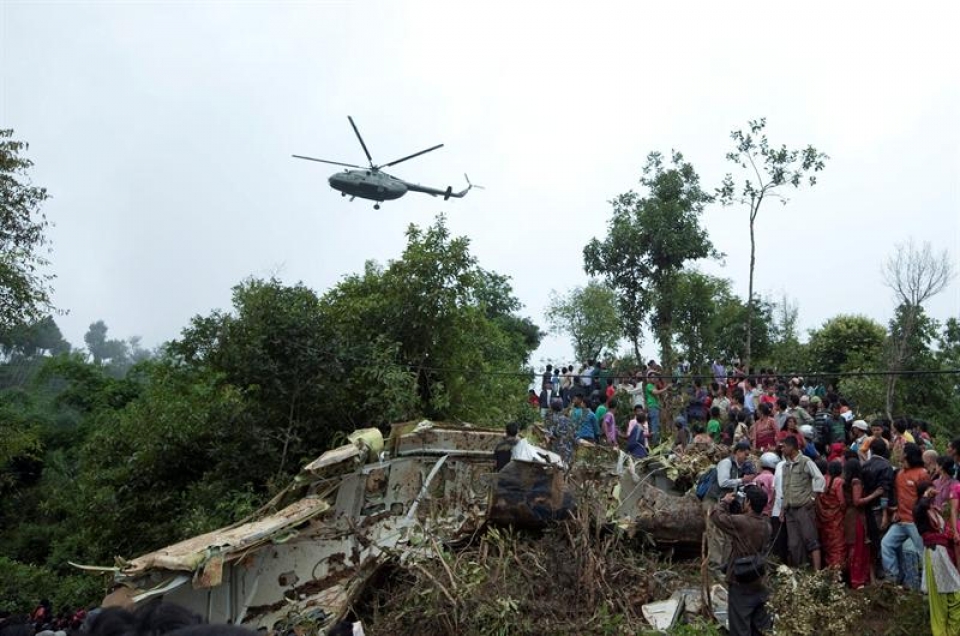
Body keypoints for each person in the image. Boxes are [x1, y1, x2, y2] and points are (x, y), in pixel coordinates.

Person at [710, 488, 773, 636]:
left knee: (739, 627)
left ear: (749, 502)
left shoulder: (742, 522)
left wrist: (724, 502)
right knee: (760, 628)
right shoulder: (767, 526)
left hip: (740, 581)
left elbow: (716, 516)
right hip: (759, 580)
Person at [914, 481, 960, 636]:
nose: (934, 492)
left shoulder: (933, 510)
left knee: (956, 596)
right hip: (935, 555)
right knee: (939, 601)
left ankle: (952, 632)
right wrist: (927, 495)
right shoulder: (920, 510)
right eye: (930, 489)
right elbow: (921, 505)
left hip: (944, 555)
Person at [773, 436, 826, 568]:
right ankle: (803, 572)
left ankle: (817, 574)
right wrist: (782, 509)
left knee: (811, 541)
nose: (782, 449)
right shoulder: (785, 466)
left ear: (791, 447)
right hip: (790, 510)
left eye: (784, 446)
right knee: (794, 544)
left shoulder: (805, 461)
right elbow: (785, 488)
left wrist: (813, 498)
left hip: (803, 507)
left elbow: (819, 478)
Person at [880, 443, 927, 588]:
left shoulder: (922, 473)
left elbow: (926, 499)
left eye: (902, 451)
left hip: (915, 522)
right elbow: (896, 495)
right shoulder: (899, 473)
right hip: (900, 520)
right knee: (886, 544)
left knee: (923, 554)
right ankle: (893, 578)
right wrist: (895, 511)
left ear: (906, 455)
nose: (899, 453)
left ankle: (926, 587)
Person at [705, 441, 755, 569]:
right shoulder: (726, 463)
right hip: (714, 501)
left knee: (726, 533)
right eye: (745, 454)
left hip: (725, 503)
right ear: (738, 452)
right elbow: (723, 482)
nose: (746, 457)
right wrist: (742, 480)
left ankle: (725, 565)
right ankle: (715, 564)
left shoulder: (738, 467)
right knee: (716, 534)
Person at [843, 458, 872, 588]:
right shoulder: (856, 482)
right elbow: (857, 501)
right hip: (857, 517)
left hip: (848, 516)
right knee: (859, 547)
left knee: (852, 546)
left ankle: (853, 578)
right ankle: (858, 579)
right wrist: (874, 495)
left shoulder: (845, 482)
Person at [817, 460, 847, 569]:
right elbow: (842, 502)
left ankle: (828, 568)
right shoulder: (839, 482)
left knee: (827, 544)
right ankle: (837, 570)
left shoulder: (823, 479)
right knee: (838, 545)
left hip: (823, 517)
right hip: (836, 519)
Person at [544, 398, 575, 467]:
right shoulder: (568, 419)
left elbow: (550, 436)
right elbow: (573, 434)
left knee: (558, 470)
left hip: (558, 449)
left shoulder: (554, 420)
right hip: (568, 449)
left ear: (552, 408)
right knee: (566, 469)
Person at [644, 371, 669, 446]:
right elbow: (656, 392)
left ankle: (656, 442)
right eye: (652, 377)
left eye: (655, 377)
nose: (654, 378)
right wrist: (666, 388)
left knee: (657, 425)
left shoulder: (653, 385)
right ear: (649, 379)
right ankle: (655, 444)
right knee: (654, 426)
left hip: (655, 407)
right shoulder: (649, 385)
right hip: (652, 407)